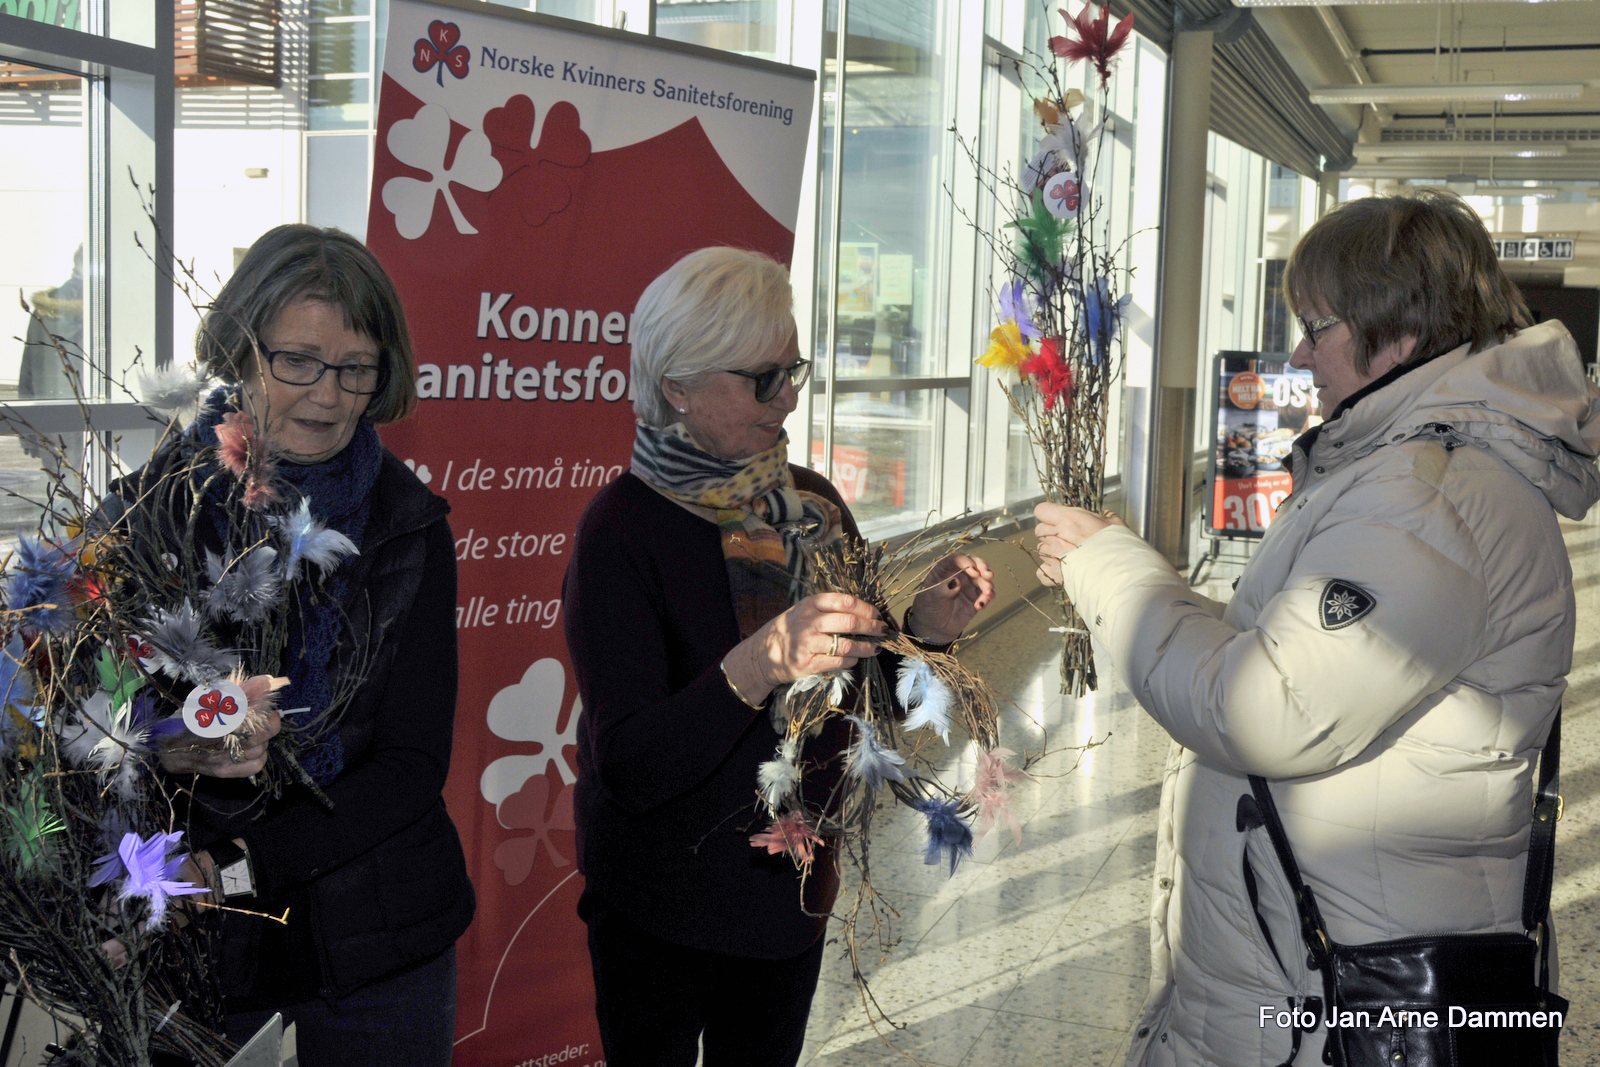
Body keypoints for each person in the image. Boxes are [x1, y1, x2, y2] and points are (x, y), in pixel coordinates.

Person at [1034, 190, 1600, 1066]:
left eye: (1316, 326)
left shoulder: (1427, 497)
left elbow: (1264, 708)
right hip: (1324, 956)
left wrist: (1113, 570)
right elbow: (1296, 657)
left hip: (1339, 991)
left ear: (1398, 334)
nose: (1299, 355)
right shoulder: (1411, 472)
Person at [563, 246, 994, 1067]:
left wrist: (925, 628)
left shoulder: (813, 506)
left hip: (787, 894)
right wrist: (757, 662)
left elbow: (869, 698)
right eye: (762, 378)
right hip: (658, 905)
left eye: (792, 368)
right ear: (677, 388)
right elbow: (632, 765)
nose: (790, 396)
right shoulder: (621, 530)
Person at [139, 224, 475, 1065]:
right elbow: (98, 716)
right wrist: (173, 745)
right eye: (297, 361)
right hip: (198, 950)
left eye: (356, 368)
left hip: (380, 940)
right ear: (239, 352)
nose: (327, 396)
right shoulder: (154, 511)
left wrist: (247, 861)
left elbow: (410, 762)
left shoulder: (410, 526)